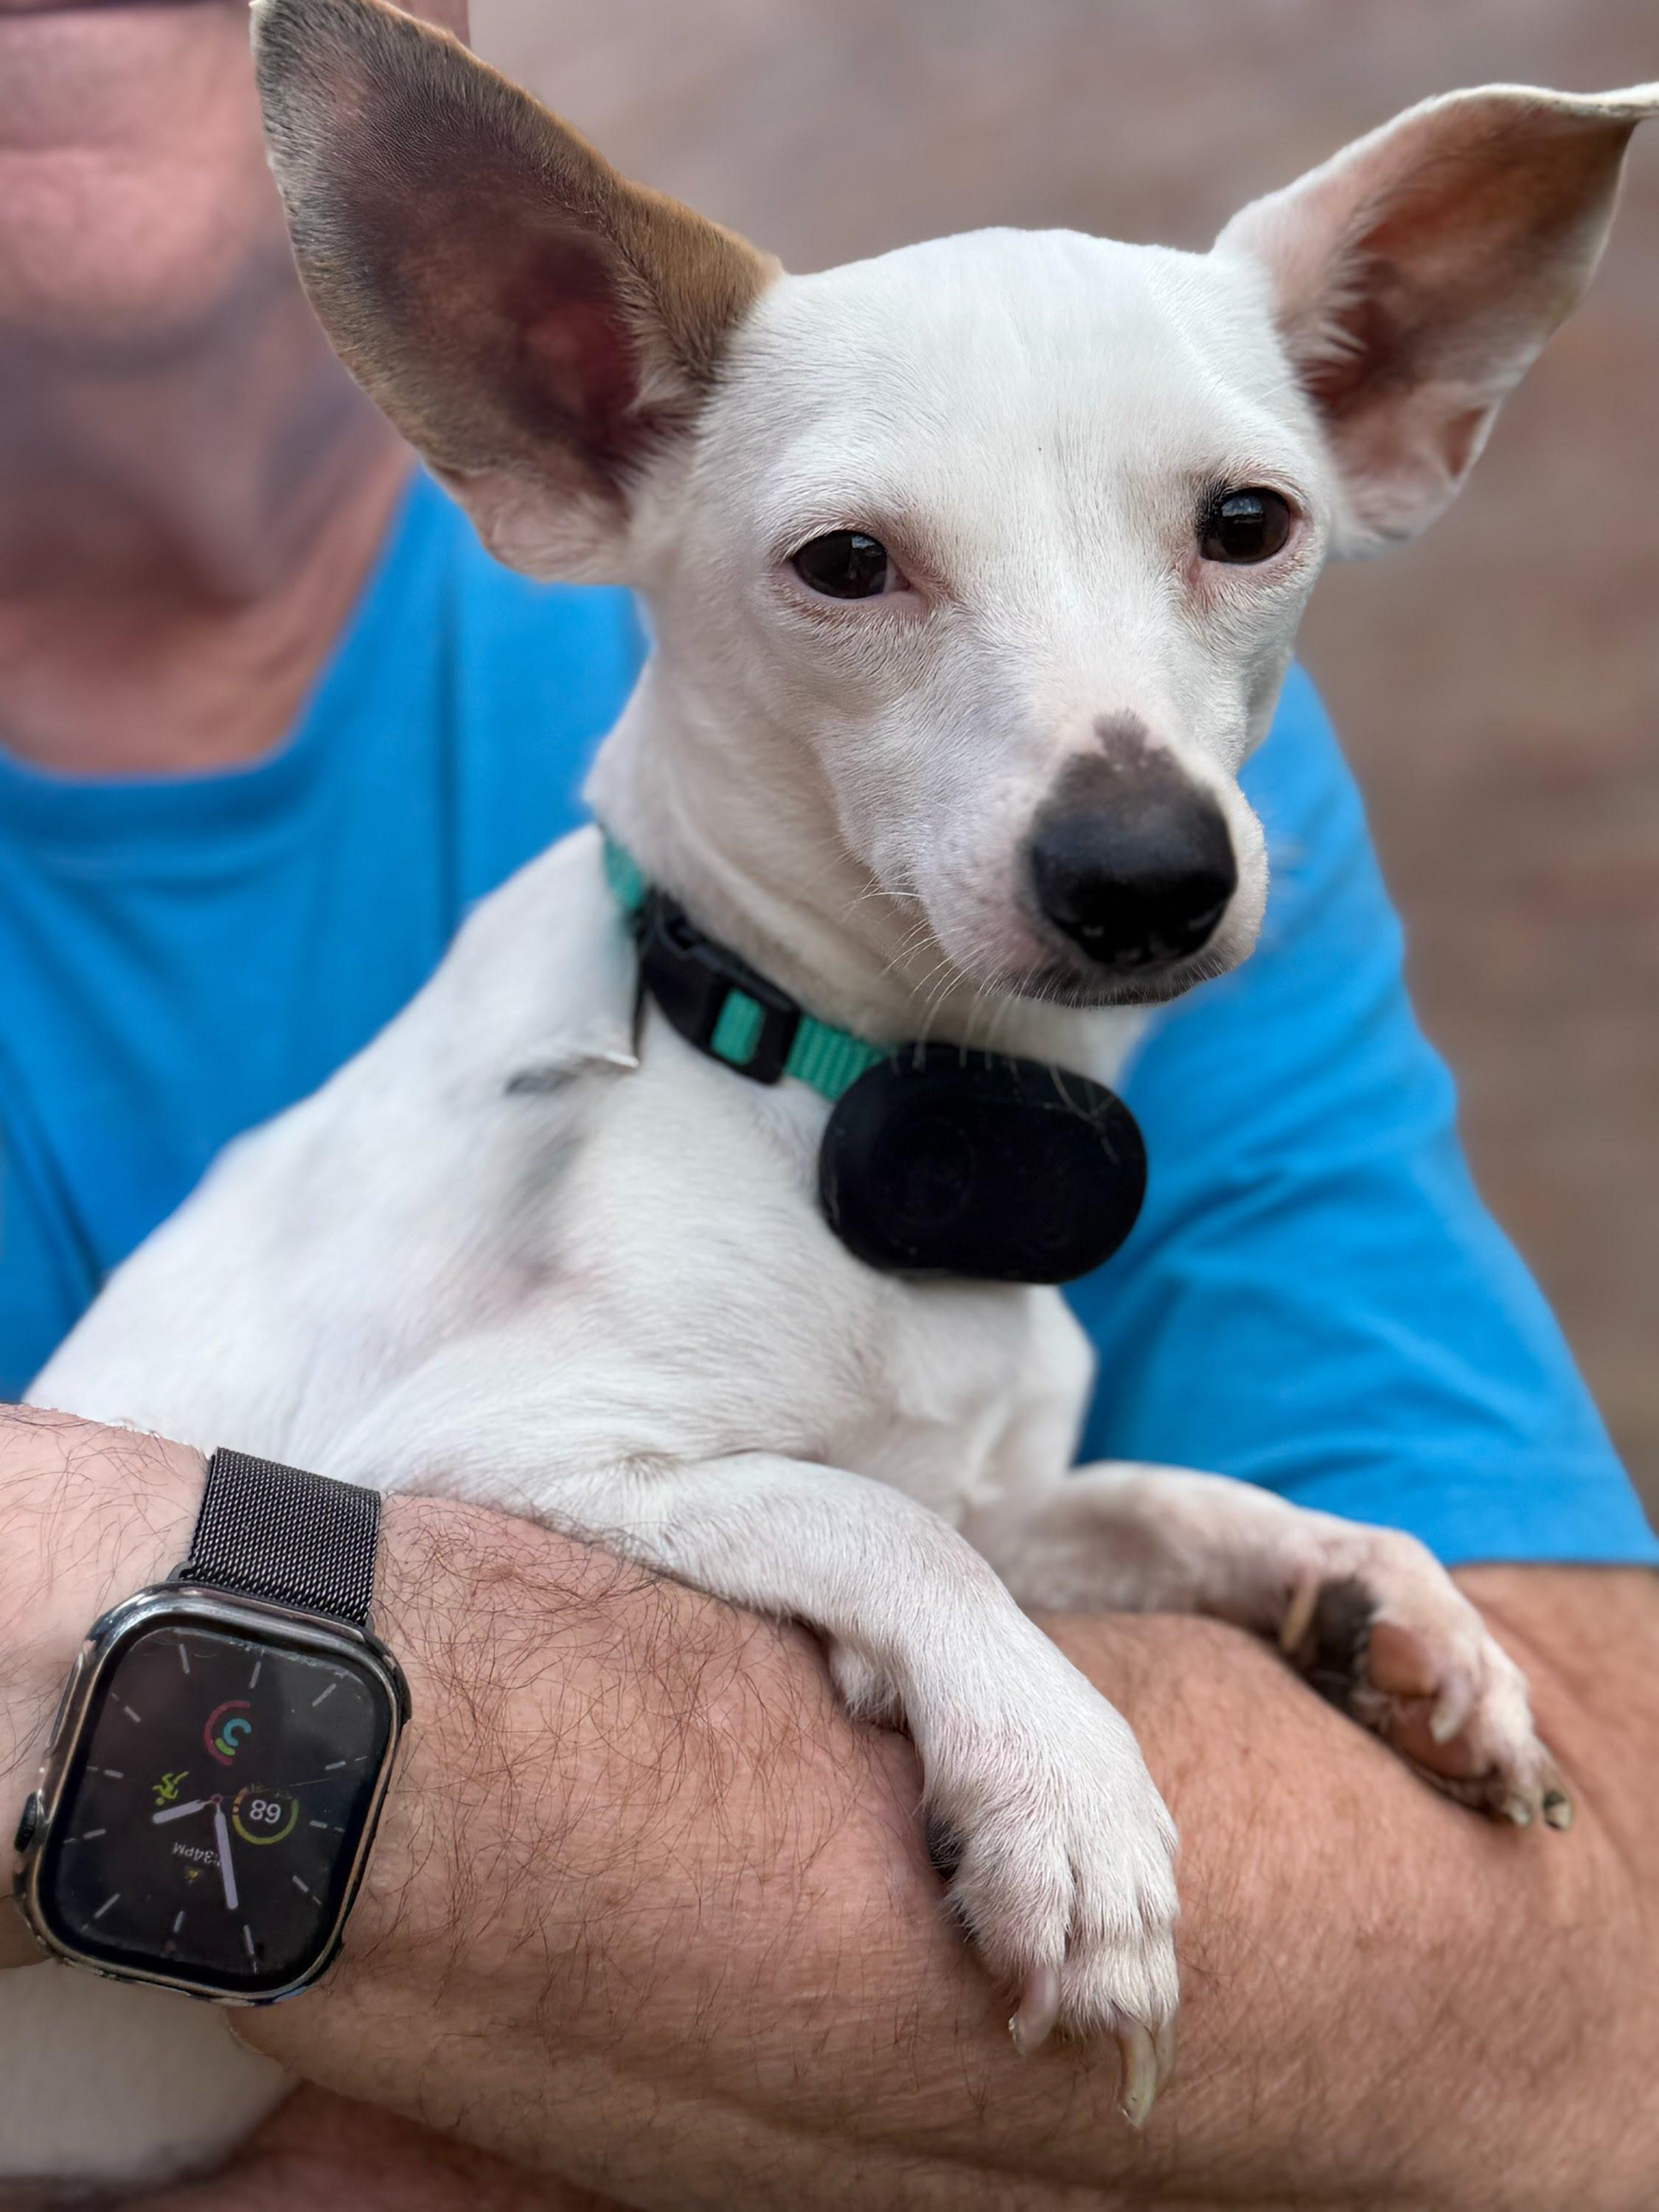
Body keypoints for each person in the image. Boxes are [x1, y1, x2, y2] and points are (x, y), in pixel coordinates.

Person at [1, 0, 1655, 2202]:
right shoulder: (583, 1090)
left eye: (1235, 530)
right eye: (859, 566)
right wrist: (923, 1602)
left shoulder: (1158, 914)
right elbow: (484, 1490)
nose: (1120, 783)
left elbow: (1596, 2016)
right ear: (568, 420)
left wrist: (1182, 1537)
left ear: (1382, 406)